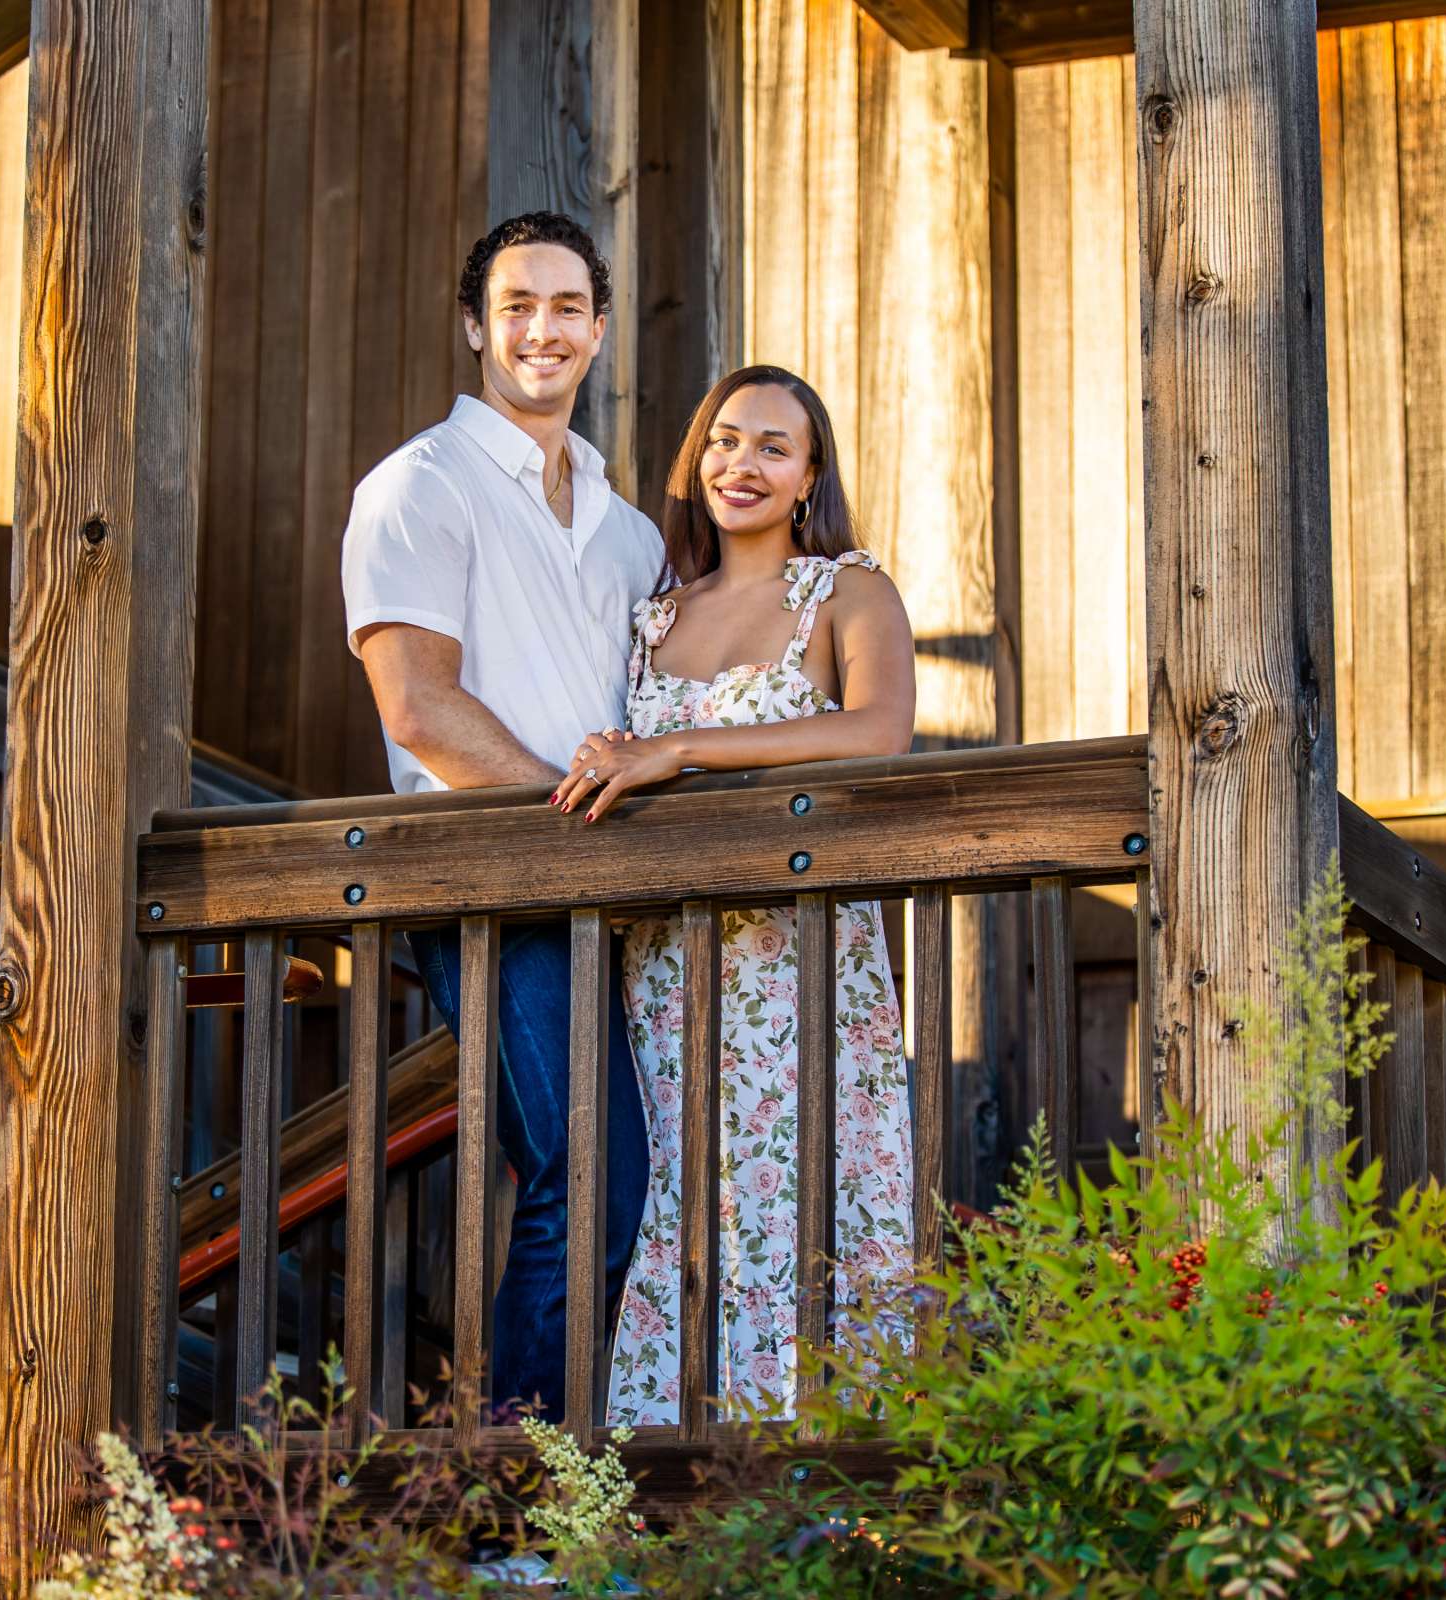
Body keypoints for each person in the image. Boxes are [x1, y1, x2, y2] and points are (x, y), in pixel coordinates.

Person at [548, 366, 918, 1427]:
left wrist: (680, 750)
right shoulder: (652, 614)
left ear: (809, 475)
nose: (740, 464)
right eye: (722, 440)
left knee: (806, 1185)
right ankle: (671, 1477)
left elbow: (877, 731)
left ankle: (828, 1474)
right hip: (668, 968)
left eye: (770, 446)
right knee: (684, 1197)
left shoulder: (847, 589)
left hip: (803, 962)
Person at [341, 211, 657, 1422]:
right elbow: (418, 708)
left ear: (599, 331)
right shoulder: (420, 485)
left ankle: (603, 1469)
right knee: (588, 1171)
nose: (542, 328)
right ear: (476, 325)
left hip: (629, 895)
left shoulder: (626, 530)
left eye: (568, 307)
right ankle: (513, 1495)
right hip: (501, 887)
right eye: (516, 305)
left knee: (644, 1176)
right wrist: (562, 818)